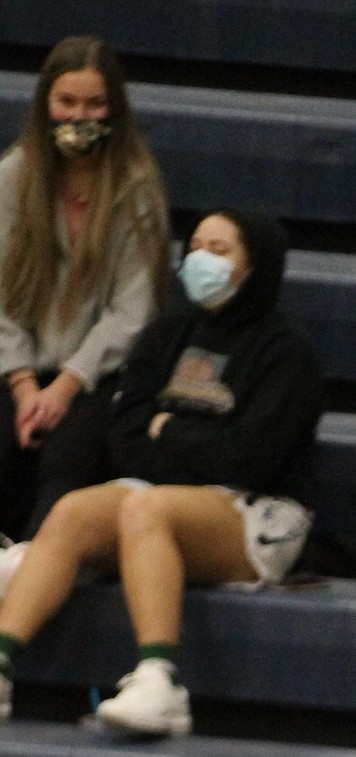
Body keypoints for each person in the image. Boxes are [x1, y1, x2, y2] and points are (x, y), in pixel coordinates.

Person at [0, 206, 323, 733]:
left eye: (219, 251)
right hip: (157, 496)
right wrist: (189, 442)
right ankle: (2, 665)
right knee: (75, 509)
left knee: (146, 507)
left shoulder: (289, 356)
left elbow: (250, 459)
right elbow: (125, 441)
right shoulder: (165, 336)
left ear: (257, 265)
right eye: (195, 247)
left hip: (260, 515)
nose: (201, 260)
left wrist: (168, 431)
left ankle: (159, 684)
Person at [0, 36, 170, 551]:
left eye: (94, 104)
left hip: (98, 377)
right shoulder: (13, 177)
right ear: (45, 106)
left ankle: (24, 578)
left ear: (113, 108)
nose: (80, 116)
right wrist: (25, 386)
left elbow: (132, 311)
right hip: (18, 367)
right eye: (66, 103)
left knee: (67, 458)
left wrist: (65, 387)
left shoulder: (136, 188)